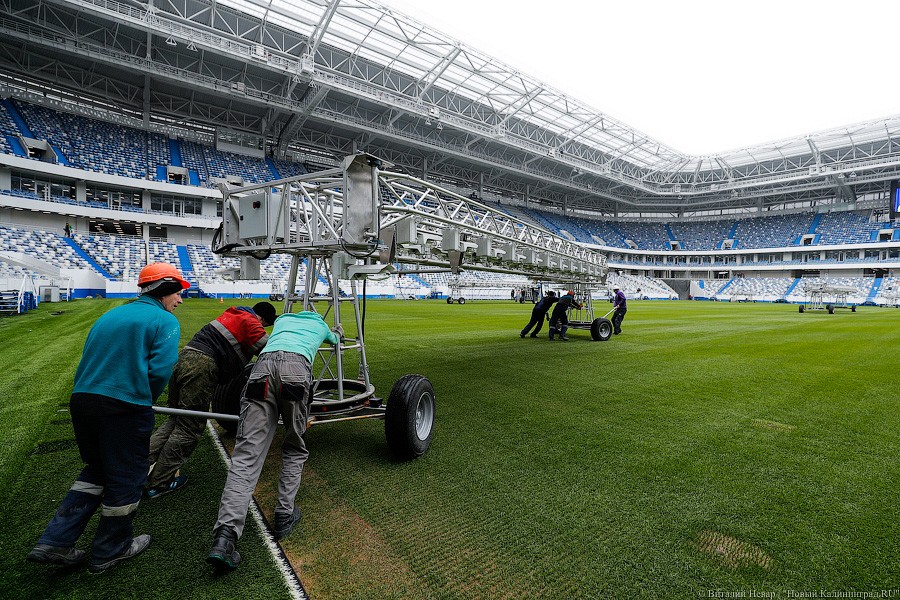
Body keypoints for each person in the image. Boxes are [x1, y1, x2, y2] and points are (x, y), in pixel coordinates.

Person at [27, 262, 187, 573]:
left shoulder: (111, 314)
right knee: (127, 475)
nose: (180, 300)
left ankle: (56, 540)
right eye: (178, 293)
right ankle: (110, 548)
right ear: (166, 291)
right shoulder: (162, 320)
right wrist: (144, 402)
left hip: (83, 401)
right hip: (122, 407)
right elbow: (159, 371)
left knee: (97, 469)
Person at [206, 310, 343, 572]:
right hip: (296, 371)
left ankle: (224, 538)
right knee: (293, 447)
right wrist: (336, 331)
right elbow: (335, 341)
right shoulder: (320, 324)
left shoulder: (282, 320)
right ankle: (284, 515)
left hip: (262, 370)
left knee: (246, 456)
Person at [145, 301, 278, 498]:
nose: (263, 327)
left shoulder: (233, 313)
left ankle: (136, 469)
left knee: (175, 420)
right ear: (262, 319)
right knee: (189, 427)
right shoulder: (250, 322)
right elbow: (270, 352)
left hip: (183, 361)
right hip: (201, 368)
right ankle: (159, 482)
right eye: (265, 324)